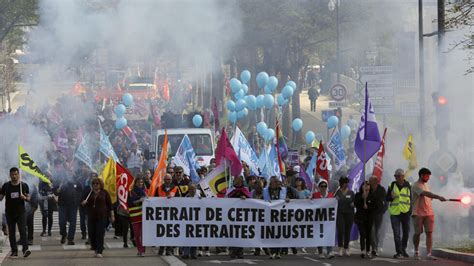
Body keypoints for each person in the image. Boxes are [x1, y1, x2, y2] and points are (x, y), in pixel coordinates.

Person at [412, 168, 446, 260]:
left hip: (429, 213)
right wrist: (438, 197)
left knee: (429, 233)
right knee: (417, 233)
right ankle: (416, 251)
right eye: (427, 176)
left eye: (429, 176)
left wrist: (436, 198)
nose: (428, 178)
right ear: (421, 175)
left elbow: (429, 197)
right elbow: (425, 193)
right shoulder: (415, 185)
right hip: (418, 213)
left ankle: (429, 254)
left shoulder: (427, 185)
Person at [0, 167, 31, 258]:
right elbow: (1, 198)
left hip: (21, 213)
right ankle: (14, 251)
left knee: (22, 231)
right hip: (9, 213)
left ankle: (25, 250)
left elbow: (29, 198)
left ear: (18, 175)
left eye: (16, 174)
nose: (14, 176)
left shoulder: (23, 185)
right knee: (12, 233)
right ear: (10, 175)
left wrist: (24, 198)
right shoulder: (6, 186)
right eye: (12, 174)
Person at [81, 177, 114, 258]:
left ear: (100, 184)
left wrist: (112, 215)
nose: (95, 185)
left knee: (100, 233)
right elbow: (82, 202)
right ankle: (95, 248)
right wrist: (83, 202)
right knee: (91, 233)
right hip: (91, 216)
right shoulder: (89, 193)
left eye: (97, 183)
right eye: (94, 184)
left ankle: (99, 251)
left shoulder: (105, 193)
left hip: (102, 217)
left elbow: (110, 205)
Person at [386, 169, 411, 259]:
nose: (396, 178)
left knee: (406, 233)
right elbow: (387, 198)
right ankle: (399, 252)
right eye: (395, 176)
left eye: (398, 176)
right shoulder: (391, 185)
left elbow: (411, 199)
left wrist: (410, 211)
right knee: (396, 233)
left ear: (403, 176)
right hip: (395, 212)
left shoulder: (409, 185)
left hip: (405, 212)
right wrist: (391, 197)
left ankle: (403, 249)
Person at [227, 176, 252, 259]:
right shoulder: (231, 189)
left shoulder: (245, 190)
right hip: (232, 216)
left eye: (236, 180)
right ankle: (233, 251)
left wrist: (246, 199)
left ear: (240, 181)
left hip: (242, 216)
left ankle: (240, 251)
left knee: (241, 233)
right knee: (233, 233)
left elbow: (251, 201)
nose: (234, 181)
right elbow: (225, 200)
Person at [264, 176, 288, 259]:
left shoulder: (284, 190)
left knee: (279, 233)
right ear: (271, 182)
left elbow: (290, 197)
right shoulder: (265, 190)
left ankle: (278, 252)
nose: (277, 183)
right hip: (269, 214)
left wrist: (288, 200)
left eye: (278, 181)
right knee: (271, 233)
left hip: (280, 214)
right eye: (275, 181)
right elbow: (261, 200)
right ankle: (273, 251)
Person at [54, 177, 82, 245]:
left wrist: (77, 200)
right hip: (63, 205)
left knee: (73, 223)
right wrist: (56, 191)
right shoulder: (60, 179)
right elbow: (55, 190)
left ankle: (70, 239)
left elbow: (80, 190)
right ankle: (63, 234)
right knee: (62, 222)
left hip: (73, 205)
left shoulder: (76, 179)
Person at [312, 180, 335, 259]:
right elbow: (308, 203)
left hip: (328, 219)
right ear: (319, 187)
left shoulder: (331, 195)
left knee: (328, 234)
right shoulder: (315, 195)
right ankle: (320, 252)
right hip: (318, 218)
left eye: (325, 186)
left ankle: (329, 252)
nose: (323, 188)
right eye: (321, 186)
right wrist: (309, 199)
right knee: (319, 234)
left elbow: (334, 204)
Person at [354, 181, 377, 259]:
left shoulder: (372, 196)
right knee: (362, 234)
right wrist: (362, 198)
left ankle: (368, 250)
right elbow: (355, 203)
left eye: (368, 185)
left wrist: (368, 206)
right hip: (360, 218)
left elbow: (375, 207)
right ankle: (362, 250)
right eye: (365, 185)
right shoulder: (358, 195)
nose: (366, 187)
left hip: (369, 218)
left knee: (368, 235)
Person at [157, 174, 178, 256]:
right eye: (166, 179)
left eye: (169, 179)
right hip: (161, 214)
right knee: (162, 232)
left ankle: (169, 249)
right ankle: (161, 248)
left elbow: (180, 200)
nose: (167, 181)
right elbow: (154, 199)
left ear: (171, 180)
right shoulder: (158, 188)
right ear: (163, 180)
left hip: (172, 214)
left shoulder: (176, 188)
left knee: (170, 232)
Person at [334, 176, 355, 257]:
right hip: (340, 214)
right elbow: (333, 201)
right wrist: (335, 199)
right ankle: (340, 248)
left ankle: (346, 248)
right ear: (341, 183)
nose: (346, 184)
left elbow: (355, 202)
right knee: (340, 230)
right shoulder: (337, 192)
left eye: (347, 183)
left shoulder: (351, 193)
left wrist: (354, 204)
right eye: (344, 183)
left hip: (349, 214)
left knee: (347, 231)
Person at [369, 176, 387, 257]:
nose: (369, 182)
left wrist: (383, 210)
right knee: (371, 231)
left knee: (377, 231)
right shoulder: (368, 189)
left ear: (375, 181)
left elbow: (385, 201)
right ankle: (374, 248)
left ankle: (376, 246)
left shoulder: (382, 189)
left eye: (371, 181)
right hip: (370, 213)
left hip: (379, 213)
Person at [182, 184, 201, 259]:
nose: (192, 190)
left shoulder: (199, 197)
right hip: (187, 221)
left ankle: (193, 254)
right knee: (186, 238)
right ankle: (186, 253)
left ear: (195, 189)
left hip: (196, 221)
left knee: (194, 238)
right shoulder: (185, 198)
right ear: (188, 190)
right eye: (190, 189)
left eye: (193, 189)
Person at [129, 177, 147, 257]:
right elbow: (130, 202)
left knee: (143, 234)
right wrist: (139, 201)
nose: (140, 184)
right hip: (135, 216)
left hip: (144, 216)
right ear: (135, 183)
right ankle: (139, 249)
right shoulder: (131, 192)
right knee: (136, 235)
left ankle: (142, 250)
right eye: (138, 182)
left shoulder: (145, 192)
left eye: (141, 182)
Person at [25, 181, 39, 246]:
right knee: (22, 224)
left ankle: (30, 239)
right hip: (21, 207)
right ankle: (23, 238)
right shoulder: (19, 184)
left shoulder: (32, 185)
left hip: (30, 207)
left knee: (30, 223)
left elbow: (35, 196)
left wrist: (34, 206)